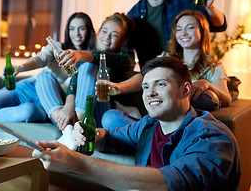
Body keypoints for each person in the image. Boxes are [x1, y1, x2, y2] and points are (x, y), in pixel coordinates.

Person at [32, 56, 241, 191]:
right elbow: (111, 137)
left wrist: (78, 163)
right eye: (145, 87)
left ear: (185, 90)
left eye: (160, 84)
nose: (150, 93)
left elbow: (172, 181)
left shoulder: (212, 137)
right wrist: (90, 134)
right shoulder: (149, 125)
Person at [0, 12, 96, 130]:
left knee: (28, 112)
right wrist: (20, 68)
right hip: (27, 88)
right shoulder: (58, 48)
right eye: (72, 29)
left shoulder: (91, 62)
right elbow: (39, 59)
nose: (76, 33)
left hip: (44, 105)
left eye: (81, 29)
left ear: (89, 31)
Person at [102, 10, 231, 129]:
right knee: (109, 117)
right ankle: (147, 135)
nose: (184, 33)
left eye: (190, 28)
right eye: (179, 29)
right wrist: (118, 87)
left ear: (202, 31)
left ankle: (147, 138)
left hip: (181, 125)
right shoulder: (166, 57)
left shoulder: (212, 67)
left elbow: (226, 98)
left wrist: (207, 84)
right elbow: (143, 77)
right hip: (154, 118)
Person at [35, 13, 135, 132]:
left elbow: (100, 57)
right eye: (104, 31)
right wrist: (68, 105)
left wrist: (81, 55)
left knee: (91, 64)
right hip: (77, 109)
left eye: (114, 35)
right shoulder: (90, 52)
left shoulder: (126, 58)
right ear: (98, 32)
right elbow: (75, 78)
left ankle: (77, 126)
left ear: (121, 40)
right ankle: (68, 129)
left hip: (101, 112)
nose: (107, 37)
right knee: (44, 75)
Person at [127, 0, 227, 68]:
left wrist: (210, 8)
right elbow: (126, 51)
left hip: (188, 71)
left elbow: (219, 25)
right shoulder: (133, 14)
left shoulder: (185, 0)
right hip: (153, 75)